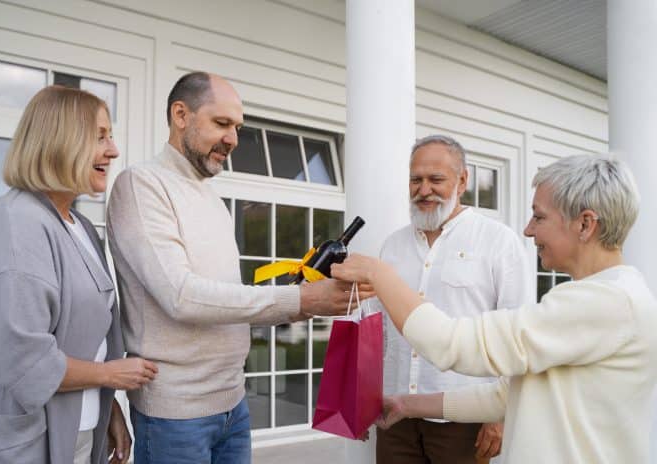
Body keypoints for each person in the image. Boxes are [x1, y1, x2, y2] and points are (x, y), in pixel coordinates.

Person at [106, 71, 364, 464]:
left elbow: (224, 298)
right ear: (181, 115)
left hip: (233, 404)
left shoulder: (212, 198)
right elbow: (181, 296)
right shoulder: (141, 185)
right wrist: (299, 299)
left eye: (237, 128)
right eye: (221, 123)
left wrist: (298, 290)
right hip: (176, 414)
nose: (233, 139)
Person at [331, 154, 657, 463]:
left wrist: (379, 274)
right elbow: (507, 394)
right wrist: (407, 404)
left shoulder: (607, 303)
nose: (529, 230)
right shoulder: (605, 296)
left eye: (539, 216)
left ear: (585, 224)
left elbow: (452, 344)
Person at [0, 86, 158, 464]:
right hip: (26, 443)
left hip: (82, 431)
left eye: (110, 136)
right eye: (99, 136)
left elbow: (90, 338)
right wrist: (110, 376)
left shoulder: (80, 226)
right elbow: (26, 362)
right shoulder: (16, 226)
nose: (113, 150)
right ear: (59, 141)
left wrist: (109, 408)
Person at [372, 135, 531, 464]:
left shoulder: (499, 241)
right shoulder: (392, 246)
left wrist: (501, 415)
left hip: (464, 420)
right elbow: (378, 333)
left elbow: (517, 335)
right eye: (416, 179)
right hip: (395, 413)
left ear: (463, 180)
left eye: (436, 179)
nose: (424, 189)